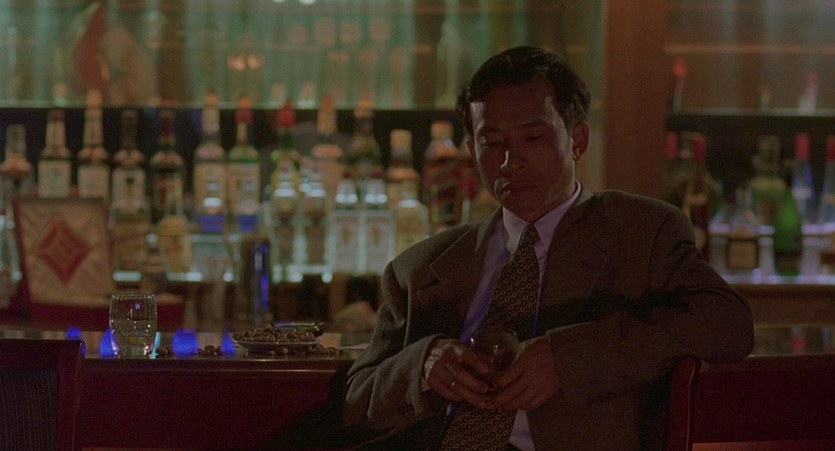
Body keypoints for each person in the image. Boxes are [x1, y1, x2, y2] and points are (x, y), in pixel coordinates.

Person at [342, 46, 753, 450]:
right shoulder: (422, 267)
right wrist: (422, 364)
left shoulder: (640, 233)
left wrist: (567, 359)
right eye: (492, 143)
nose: (510, 162)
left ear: (577, 140)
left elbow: (727, 323)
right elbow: (355, 402)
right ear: (471, 151)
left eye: (533, 137)